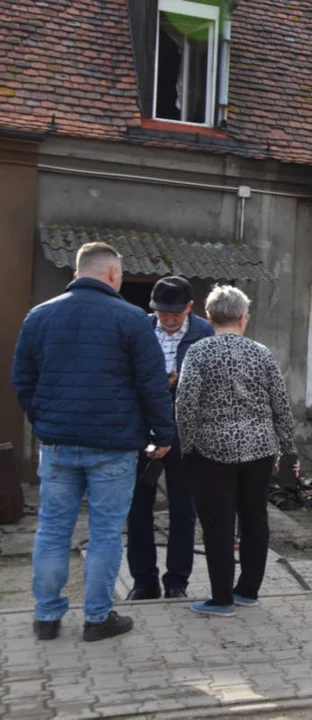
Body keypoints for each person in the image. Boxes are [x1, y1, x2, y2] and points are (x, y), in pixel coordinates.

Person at [11, 242, 174, 642]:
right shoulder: (133, 319)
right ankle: (97, 618)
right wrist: (164, 433)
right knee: (104, 532)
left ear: (76, 272)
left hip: (58, 445)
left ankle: (46, 618)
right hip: (114, 447)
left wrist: (45, 419)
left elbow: (22, 381)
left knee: (52, 530)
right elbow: (152, 385)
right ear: (114, 275)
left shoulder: (39, 316)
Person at [175, 285, 297, 617]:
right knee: (255, 517)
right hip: (259, 450)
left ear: (209, 316)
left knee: (218, 523)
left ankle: (221, 599)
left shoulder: (198, 353)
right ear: (243, 318)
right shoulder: (262, 353)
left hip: (211, 451)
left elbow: (185, 405)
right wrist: (288, 451)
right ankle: (248, 591)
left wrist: (186, 446)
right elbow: (281, 407)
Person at [126, 276, 214, 601]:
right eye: (163, 313)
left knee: (183, 509)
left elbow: (213, 386)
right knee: (138, 508)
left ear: (190, 307)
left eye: (176, 313)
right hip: (144, 432)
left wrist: (182, 386)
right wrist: (151, 386)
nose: (169, 319)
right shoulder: (140, 328)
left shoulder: (204, 333)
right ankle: (143, 581)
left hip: (185, 434)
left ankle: (177, 581)